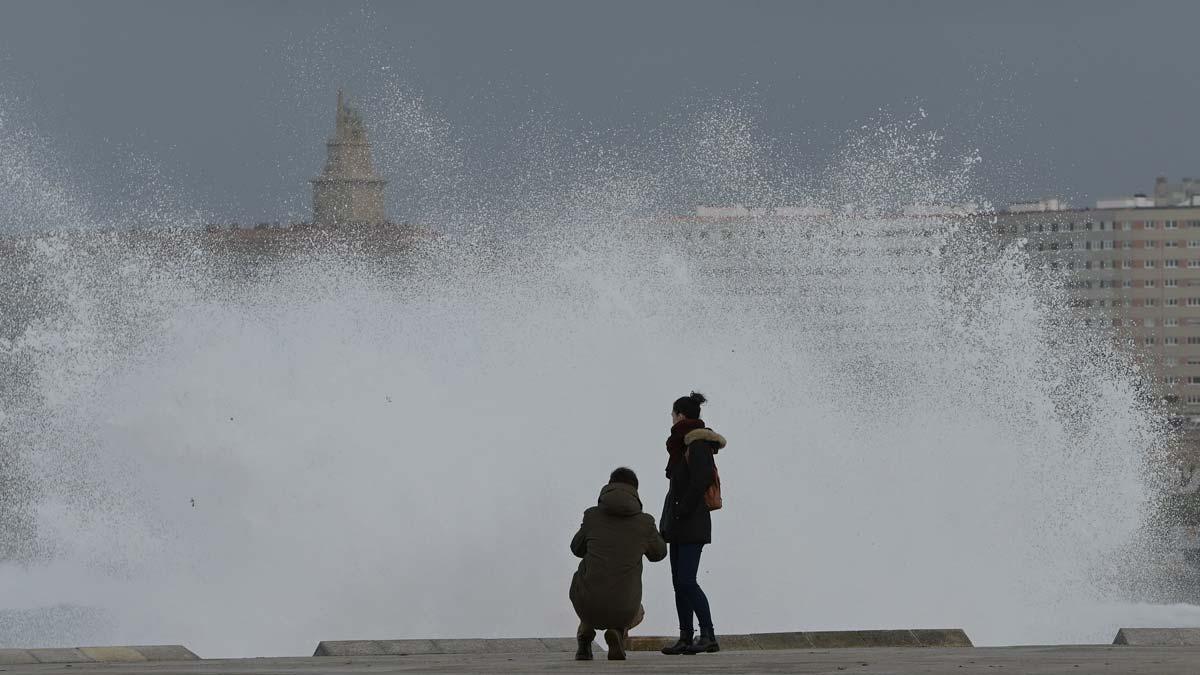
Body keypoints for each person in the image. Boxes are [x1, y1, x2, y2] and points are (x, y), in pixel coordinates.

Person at [570, 467, 668, 661]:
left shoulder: (592, 516)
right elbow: (659, 554)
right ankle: (618, 632)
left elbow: (576, 549)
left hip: (587, 604)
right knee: (637, 609)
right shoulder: (645, 523)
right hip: (625, 606)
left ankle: (584, 638)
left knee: (588, 589)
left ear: (609, 486)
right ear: (635, 491)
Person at [660, 391, 725, 655]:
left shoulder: (696, 443)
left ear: (681, 415)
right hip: (679, 523)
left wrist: (683, 509)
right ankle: (686, 636)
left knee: (687, 581)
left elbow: (702, 478)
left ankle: (708, 634)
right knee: (679, 582)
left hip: (692, 522)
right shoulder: (681, 445)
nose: (671, 419)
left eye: (673, 414)